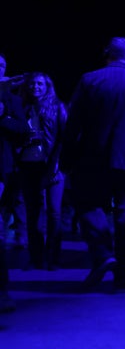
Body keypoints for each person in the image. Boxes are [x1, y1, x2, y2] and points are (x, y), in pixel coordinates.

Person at [60, 37, 125, 290]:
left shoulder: (90, 80)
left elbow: (73, 122)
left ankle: (103, 254)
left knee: (88, 205)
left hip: (93, 157)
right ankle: (123, 271)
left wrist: (66, 158)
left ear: (106, 53)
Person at [17, 72, 67, 271]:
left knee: (54, 212)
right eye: (32, 84)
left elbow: (64, 137)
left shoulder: (57, 107)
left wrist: (56, 163)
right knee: (32, 212)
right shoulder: (21, 107)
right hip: (28, 163)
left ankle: (53, 257)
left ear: (47, 86)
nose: (35, 87)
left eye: (40, 84)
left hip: (52, 164)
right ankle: (35, 257)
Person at [0, 53, 27, 312]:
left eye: (2, 66)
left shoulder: (10, 99)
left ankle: (2, 291)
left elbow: (22, 129)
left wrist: (2, 117)